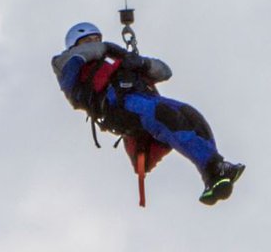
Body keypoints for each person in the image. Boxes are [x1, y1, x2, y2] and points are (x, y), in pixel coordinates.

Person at [52, 22, 244, 206]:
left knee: (191, 115)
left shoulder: (117, 59)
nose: (94, 42)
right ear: (74, 45)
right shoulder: (67, 62)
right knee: (164, 115)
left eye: (96, 38)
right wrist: (113, 50)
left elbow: (165, 72)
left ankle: (215, 171)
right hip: (117, 105)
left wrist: (140, 63)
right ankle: (211, 168)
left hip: (142, 98)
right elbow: (84, 56)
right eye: (87, 40)